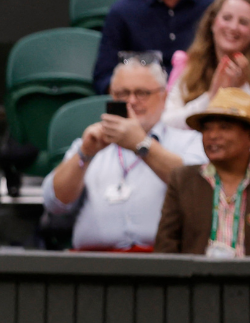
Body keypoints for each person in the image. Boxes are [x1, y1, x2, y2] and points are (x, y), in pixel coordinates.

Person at [43, 59, 206, 251]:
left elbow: (197, 188)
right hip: (92, 265)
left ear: (163, 97)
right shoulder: (90, 143)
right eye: (122, 94)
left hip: (164, 266)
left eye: (142, 93)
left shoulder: (189, 141)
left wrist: (141, 144)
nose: (132, 101)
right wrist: (85, 155)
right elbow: (55, 203)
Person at [154, 88, 250, 256]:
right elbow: (166, 249)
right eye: (207, 129)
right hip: (195, 281)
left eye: (224, 127)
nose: (213, 135)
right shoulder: (182, 180)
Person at [161, 0, 250, 129]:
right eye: (226, 18)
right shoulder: (189, 67)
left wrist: (242, 87)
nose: (233, 27)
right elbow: (167, 123)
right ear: (212, 23)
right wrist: (211, 97)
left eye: (243, 22)